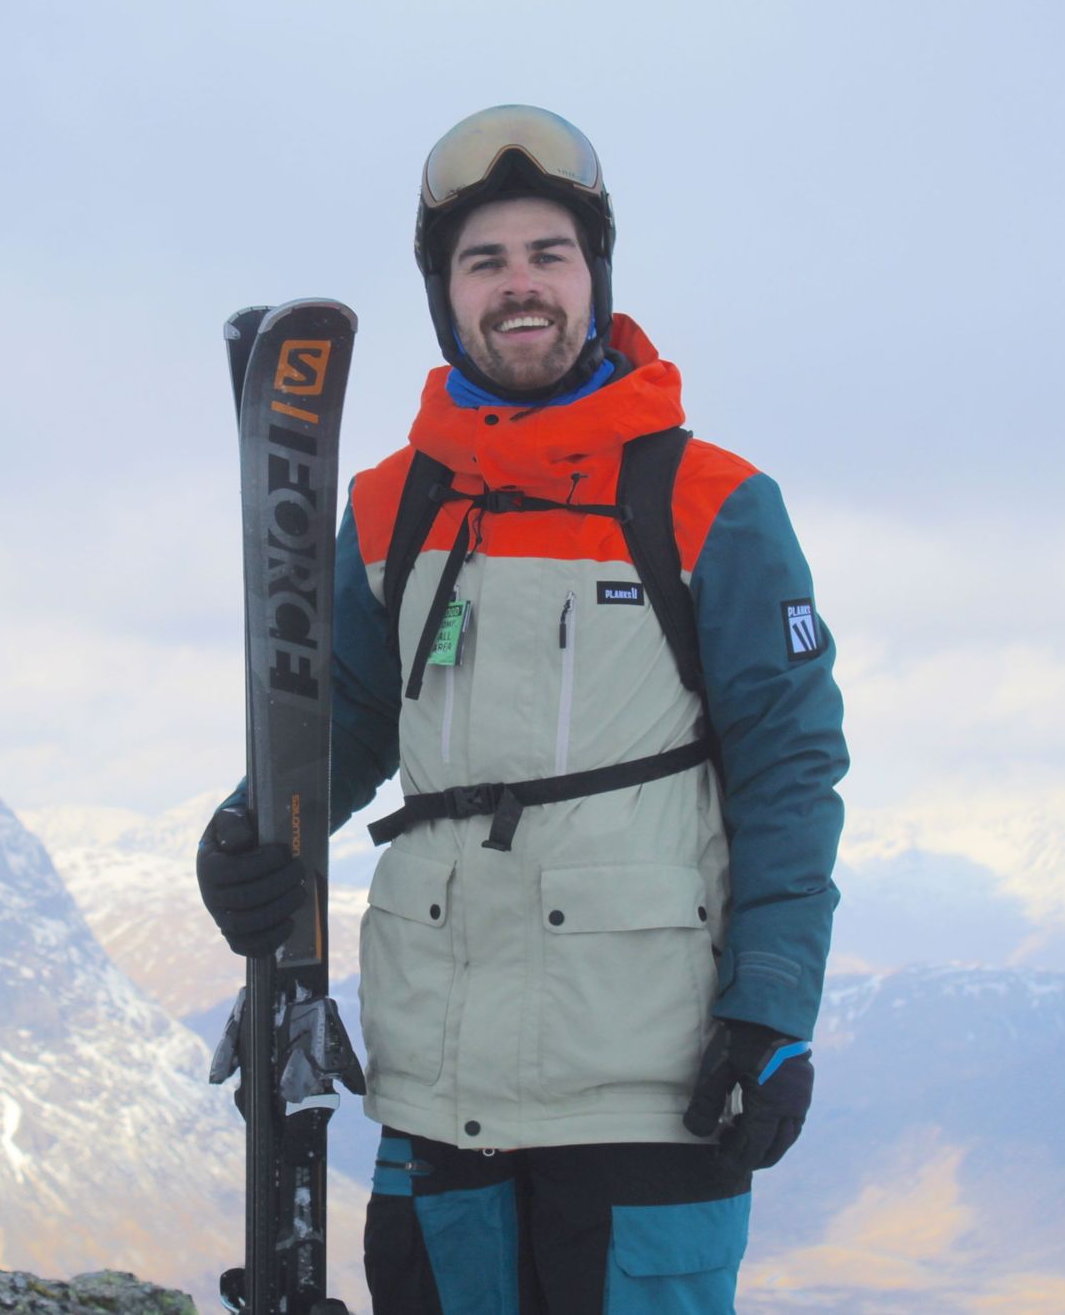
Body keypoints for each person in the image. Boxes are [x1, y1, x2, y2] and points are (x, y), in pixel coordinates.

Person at [197, 104, 848, 1312]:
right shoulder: (393, 506)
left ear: (592, 278)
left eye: (548, 254)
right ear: (446, 296)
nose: (518, 286)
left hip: (646, 1088)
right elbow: (332, 719)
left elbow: (789, 771)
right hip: (437, 1085)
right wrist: (249, 833)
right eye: (481, 261)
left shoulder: (712, 503)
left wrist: (770, 1009)